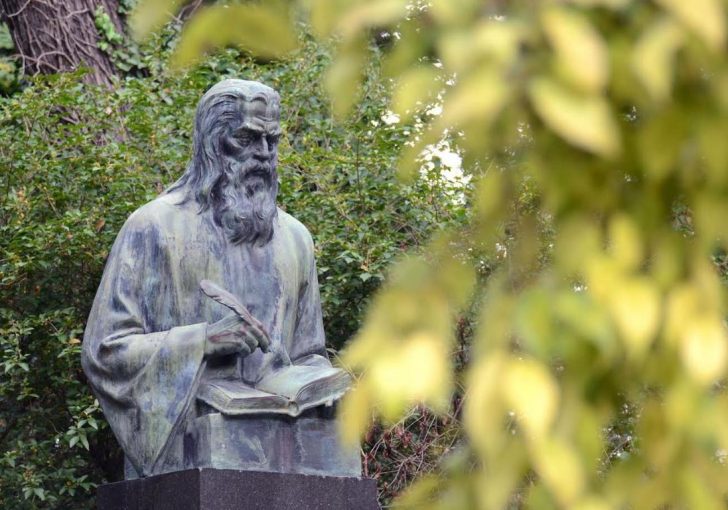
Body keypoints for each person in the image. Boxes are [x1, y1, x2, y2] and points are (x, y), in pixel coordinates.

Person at [81, 80, 358, 478]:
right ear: (212, 142)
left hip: (288, 441)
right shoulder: (153, 227)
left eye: (272, 140)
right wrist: (203, 341)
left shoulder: (296, 238)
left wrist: (324, 386)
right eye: (246, 138)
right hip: (192, 444)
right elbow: (105, 352)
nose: (263, 153)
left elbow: (309, 352)